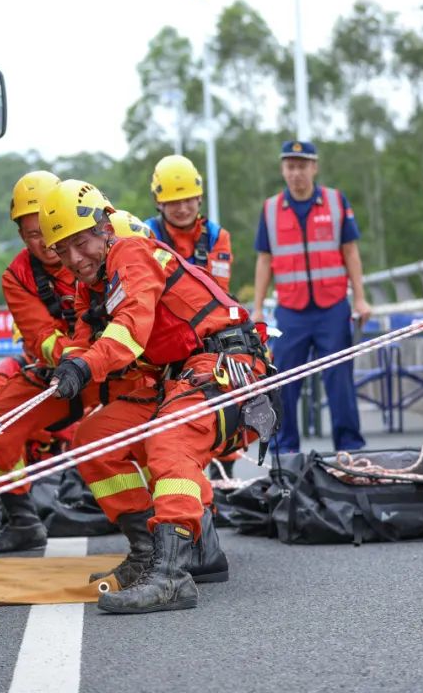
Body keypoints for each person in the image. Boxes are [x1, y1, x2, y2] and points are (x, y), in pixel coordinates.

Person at [41, 179, 278, 614]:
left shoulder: (130, 254)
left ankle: (171, 576)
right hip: (171, 377)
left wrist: (86, 366)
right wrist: (71, 364)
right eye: (62, 250)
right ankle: (149, 553)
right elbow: (81, 336)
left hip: (221, 366)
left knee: (168, 440)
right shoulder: (88, 285)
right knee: (94, 440)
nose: (74, 259)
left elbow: (130, 327)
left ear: (104, 228)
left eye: (80, 243)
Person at [0, 177, 149, 554]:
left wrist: (96, 357)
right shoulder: (18, 276)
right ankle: (22, 520)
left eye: (50, 230)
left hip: (127, 365)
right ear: (21, 236)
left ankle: (168, 524)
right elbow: (41, 337)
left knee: (157, 436)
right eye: (32, 233)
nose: (45, 242)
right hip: (66, 374)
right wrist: (78, 361)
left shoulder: (108, 242)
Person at [252, 141, 371, 453]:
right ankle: (285, 449)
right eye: (290, 166)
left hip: (332, 307)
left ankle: (350, 447)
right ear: (283, 170)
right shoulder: (271, 209)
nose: (296, 173)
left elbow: (350, 252)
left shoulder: (335, 202)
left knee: (339, 380)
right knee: (284, 381)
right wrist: (258, 309)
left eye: (302, 166)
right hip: (291, 310)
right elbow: (264, 260)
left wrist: (360, 298)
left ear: (314, 167)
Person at [144, 154, 234, 292]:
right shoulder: (145, 235)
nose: (183, 209)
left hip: (206, 311)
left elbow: (220, 291)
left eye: (188, 200)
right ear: (159, 203)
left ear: (199, 198)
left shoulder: (216, 237)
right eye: (174, 202)